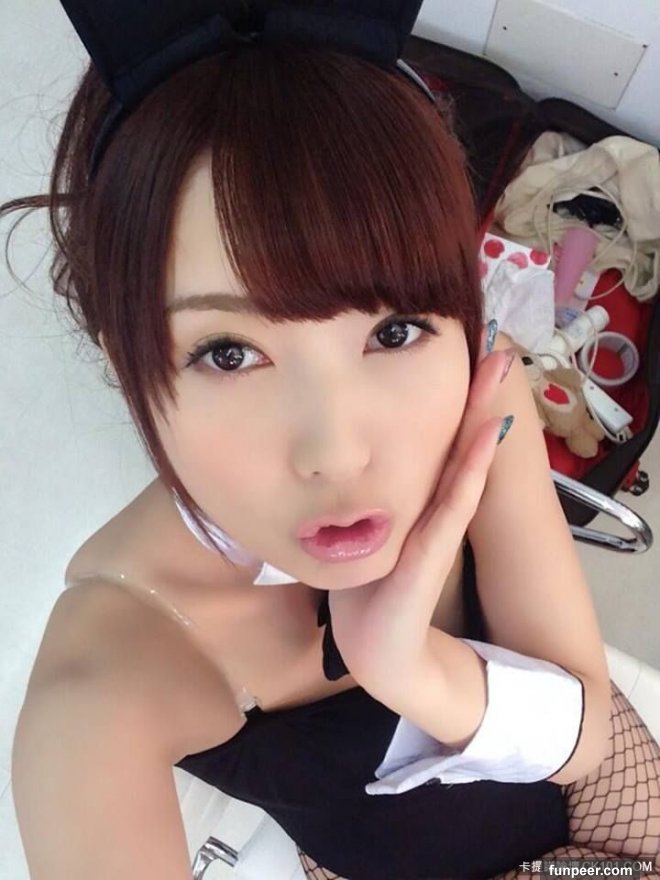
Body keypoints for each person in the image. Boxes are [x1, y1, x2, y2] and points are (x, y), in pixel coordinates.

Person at [4, 2, 658, 879]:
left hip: (609, 808)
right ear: (130, 363)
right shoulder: (114, 675)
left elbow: (583, 745)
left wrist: (407, 663)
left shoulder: (479, 398)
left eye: (394, 331)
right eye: (229, 352)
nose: (339, 452)